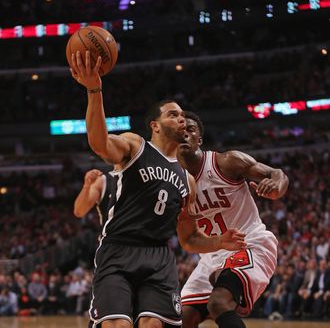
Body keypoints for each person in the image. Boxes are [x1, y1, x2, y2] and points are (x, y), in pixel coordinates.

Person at [70, 51, 246, 328]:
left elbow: (189, 239)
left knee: (153, 325)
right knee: (118, 325)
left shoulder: (187, 179)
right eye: (172, 114)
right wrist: (94, 89)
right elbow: (99, 142)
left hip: (159, 257)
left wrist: (218, 242)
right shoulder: (135, 146)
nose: (180, 119)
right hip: (119, 249)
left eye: (182, 116)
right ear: (155, 125)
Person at [177, 111, 289, 328]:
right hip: (211, 255)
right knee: (184, 318)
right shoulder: (175, 184)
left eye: (190, 130)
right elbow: (188, 240)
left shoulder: (226, 162)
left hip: (250, 244)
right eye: (180, 131)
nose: (185, 134)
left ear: (199, 139)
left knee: (218, 303)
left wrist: (276, 188)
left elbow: (277, 174)